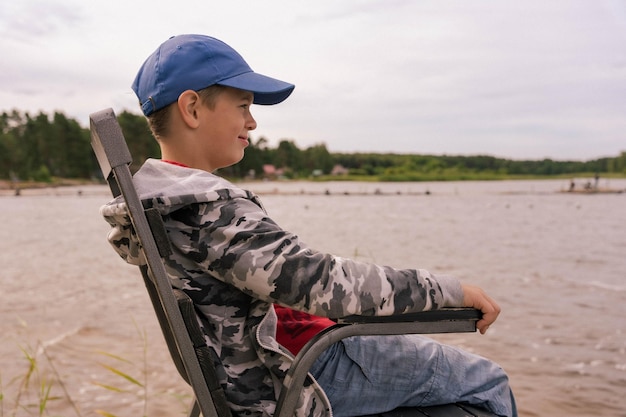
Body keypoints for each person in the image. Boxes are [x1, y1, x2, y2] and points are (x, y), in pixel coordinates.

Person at [101, 34, 517, 417]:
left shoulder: (162, 200)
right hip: (302, 368)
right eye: (243, 105)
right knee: (486, 381)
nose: (253, 122)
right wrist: (449, 291)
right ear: (192, 108)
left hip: (284, 356)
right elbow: (324, 284)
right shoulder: (208, 210)